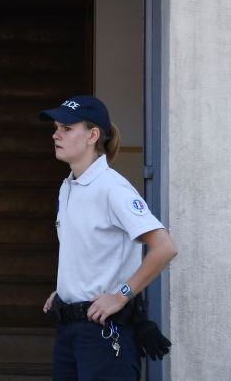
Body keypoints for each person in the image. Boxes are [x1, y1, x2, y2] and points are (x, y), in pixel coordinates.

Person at [39, 96, 177, 381]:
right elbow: (86, 249)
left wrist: (121, 295)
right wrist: (67, 290)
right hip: (69, 329)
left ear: (92, 135)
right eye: (55, 127)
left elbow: (164, 247)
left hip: (103, 331)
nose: (56, 134)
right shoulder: (68, 187)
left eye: (66, 128)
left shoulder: (112, 188)